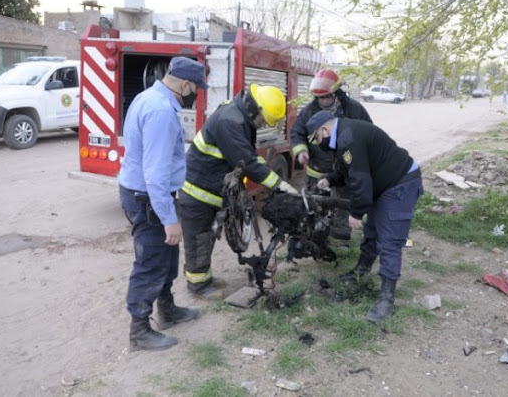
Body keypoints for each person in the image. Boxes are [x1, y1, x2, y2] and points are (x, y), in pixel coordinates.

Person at [118, 56, 208, 351]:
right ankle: (139, 331)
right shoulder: (160, 112)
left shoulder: (147, 98)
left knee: (167, 257)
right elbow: (155, 173)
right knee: (151, 262)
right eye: (195, 88)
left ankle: (167, 310)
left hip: (145, 194)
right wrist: (168, 217)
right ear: (184, 84)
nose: (195, 94)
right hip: (148, 198)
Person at [180, 83, 298, 300]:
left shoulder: (239, 116)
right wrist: (279, 184)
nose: (262, 124)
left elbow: (249, 154)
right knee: (199, 239)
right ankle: (198, 286)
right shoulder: (230, 121)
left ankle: (204, 277)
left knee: (207, 236)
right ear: (256, 109)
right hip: (198, 191)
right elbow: (247, 163)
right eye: (263, 120)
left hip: (210, 187)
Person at [307, 111, 424, 322]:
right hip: (383, 184)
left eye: (316, 138)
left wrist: (356, 213)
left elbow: (360, 180)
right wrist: (330, 180)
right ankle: (362, 270)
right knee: (372, 231)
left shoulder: (348, 137)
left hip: (400, 183)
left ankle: (387, 299)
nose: (317, 143)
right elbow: (349, 170)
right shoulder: (343, 135)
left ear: (324, 130)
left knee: (389, 240)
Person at [290, 69, 374, 271]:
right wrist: (300, 151)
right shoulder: (309, 111)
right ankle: (313, 241)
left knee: (343, 206)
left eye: (327, 96)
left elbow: (368, 133)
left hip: (343, 172)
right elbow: (296, 134)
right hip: (316, 171)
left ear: (336, 92)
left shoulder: (354, 109)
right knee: (312, 207)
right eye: (320, 97)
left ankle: (340, 240)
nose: (324, 101)